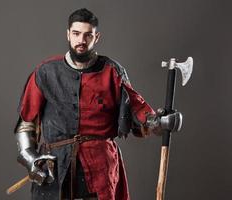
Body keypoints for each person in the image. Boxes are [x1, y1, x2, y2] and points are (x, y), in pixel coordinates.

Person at [14, 8, 182, 200]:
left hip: (100, 166)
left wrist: (159, 122)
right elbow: (26, 123)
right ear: (68, 34)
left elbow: (139, 113)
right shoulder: (45, 72)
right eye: (76, 34)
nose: (81, 41)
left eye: (88, 35)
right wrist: (30, 159)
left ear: (97, 37)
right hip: (55, 166)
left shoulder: (113, 72)